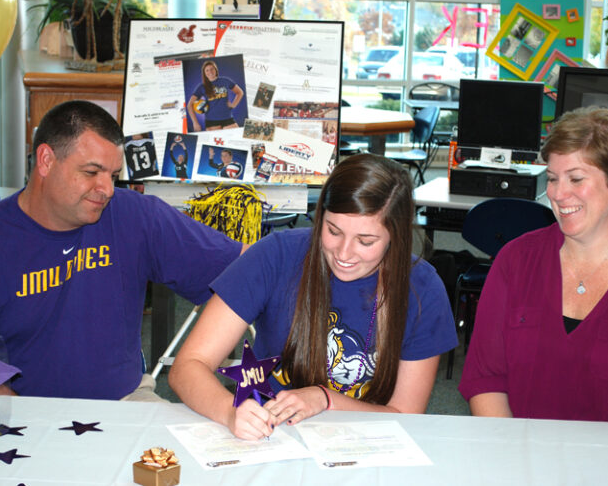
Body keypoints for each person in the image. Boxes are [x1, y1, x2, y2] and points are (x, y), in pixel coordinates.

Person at [0, 100, 244, 401]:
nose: (106, 189)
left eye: (113, 175)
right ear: (47, 160)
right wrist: (19, 424)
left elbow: (247, 271)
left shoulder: (136, 214)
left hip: (126, 399)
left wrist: (197, 360)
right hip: (21, 411)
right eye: (92, 172)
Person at [169, 153, 457, 440]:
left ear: (397, 236)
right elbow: (188, 366)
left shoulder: (423, 289)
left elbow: (406, 415)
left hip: (365, 441)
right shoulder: (276, 255)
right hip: (271, 437)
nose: (344, 254)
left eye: (365, 241)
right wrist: (229, 412)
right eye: (332, 231)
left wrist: (325, 399)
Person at [458, 106, 608, 423]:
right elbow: (486, 379)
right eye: (553, 179)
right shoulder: (516, 260)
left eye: (576, 178)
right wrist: (514, 456)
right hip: (517, 457)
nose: (558, 193)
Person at [187, 60, 244, 132]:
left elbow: (240, 92)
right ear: (204, 73)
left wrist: (233, 105)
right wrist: (195, 123)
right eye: (207, 70)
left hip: (228, 118)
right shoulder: (202, 87)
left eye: (212, 69)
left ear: (216, 70)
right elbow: (190, 105)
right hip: (212, 122)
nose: (210, 72)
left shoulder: (225, 81)